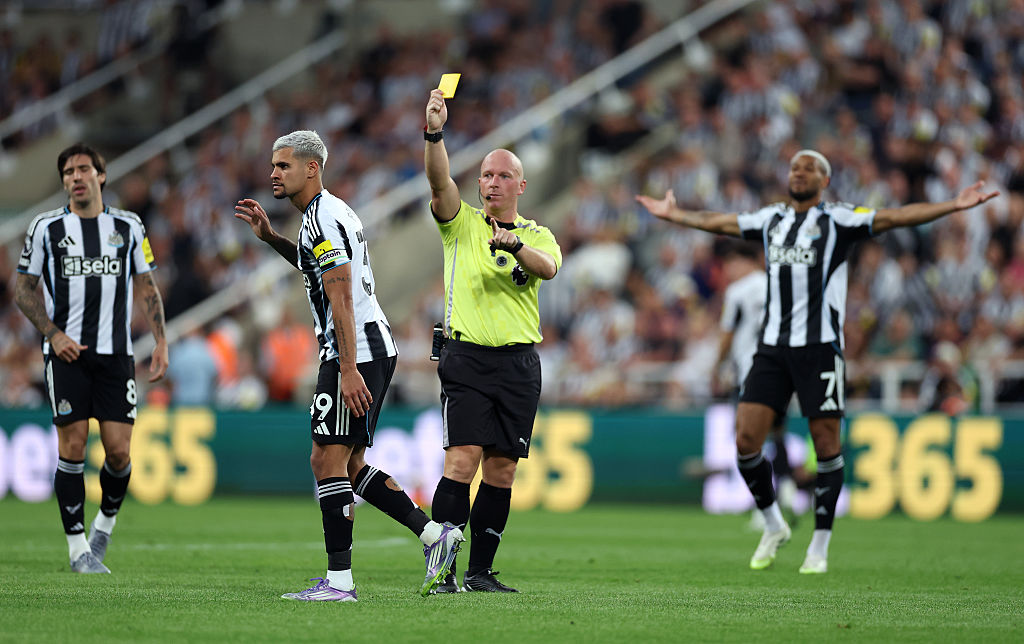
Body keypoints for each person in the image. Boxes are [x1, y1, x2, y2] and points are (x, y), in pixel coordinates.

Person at [637, 149, 998, 574]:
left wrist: (952, 205)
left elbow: (895, 216)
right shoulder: (772, 219)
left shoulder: (838, 218)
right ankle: (774, 523)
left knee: (826, 446)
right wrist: (675, 215)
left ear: (824, 181)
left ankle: (820, 545)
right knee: (745, 440)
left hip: (820, 347)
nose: (800, 172)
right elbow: (721, 222)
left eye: (810, 168)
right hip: (772, 348)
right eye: (795, 167)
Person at [234, 130, 463, 602]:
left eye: (283, 165)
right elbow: (320, 272)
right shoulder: (327, 213)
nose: (273, 173)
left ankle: (340, 583)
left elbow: (340, 296)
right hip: (368, 346)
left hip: (354, 349)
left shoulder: (321, 218)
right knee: (349, 463)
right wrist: (273, 239)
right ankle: (433, 536)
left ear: (311, 168)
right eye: (273, 165)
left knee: (326, 459)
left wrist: (347, 368)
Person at [423, 89, 562, 593]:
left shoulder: (538, 234)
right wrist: (435, 132)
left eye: (504, 175)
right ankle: (441, 571)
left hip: (519, 364)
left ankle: (479, 572)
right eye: (486, 175)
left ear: (521, 185)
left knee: (502, 472)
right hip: (466, 359)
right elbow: (438, 182)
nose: (493, 182)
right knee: (461, 461)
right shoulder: (459, 224)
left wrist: (516, 244)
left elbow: (547, 268)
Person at [14, 142, 169, 574]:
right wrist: (53, 333)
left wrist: (160, 340)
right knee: (73, 446)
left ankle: (104, 525)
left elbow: (147, 285)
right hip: (65, 355)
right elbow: (23, 289)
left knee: (118, 453)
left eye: (83, 169)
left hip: (116, 355)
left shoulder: (128, 226)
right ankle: (77, 549)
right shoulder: (46, 228)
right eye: (68, 172)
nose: (75, 177)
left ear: (101, 176)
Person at [712, 242, 799, 528]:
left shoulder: (737, 291)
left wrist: (716, 366)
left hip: (752, 371)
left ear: (744, 261)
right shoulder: (776, 284)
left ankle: (765, 507)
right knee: (777, 432)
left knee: (749, 440)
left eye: (730, 263)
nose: (728, 270)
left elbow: (727, 334)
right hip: (781, 370)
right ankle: (787, 487)